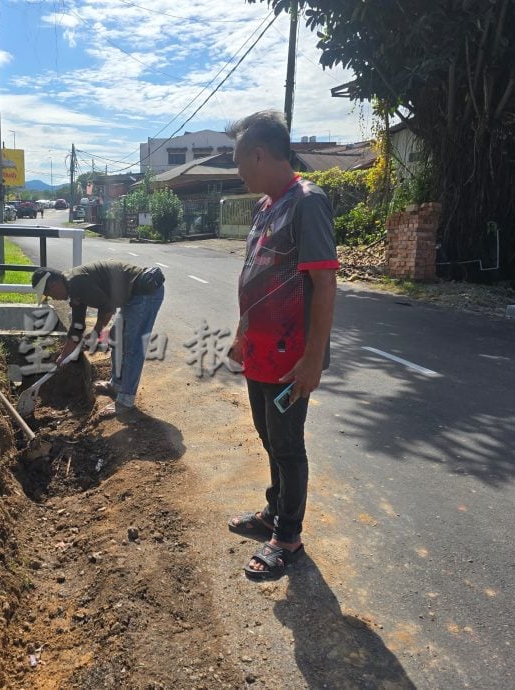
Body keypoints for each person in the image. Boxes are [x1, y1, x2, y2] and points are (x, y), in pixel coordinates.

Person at [224, 109, 338, 580]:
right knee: (269, 439)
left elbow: (325, 284)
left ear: (259, 153)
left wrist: (313, 359)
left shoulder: (307, 202)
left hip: (292, 361)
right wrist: (240, 333)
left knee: (288, 447)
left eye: (239, 161)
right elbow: (258, 276)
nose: (238, 171)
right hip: (259, 353)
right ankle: (273, 513)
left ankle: (287, 536)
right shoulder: (266, 206)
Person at [31, 260, 165, 416]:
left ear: (53, 285)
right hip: (131, 296)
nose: (52, 298)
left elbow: (107, 308)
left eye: (49, 294)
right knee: (116, 338)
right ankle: (116, 384)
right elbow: (77, 327)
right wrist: (63, 356)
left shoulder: (77, 282)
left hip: (145, 293)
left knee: (132, 348)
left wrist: (96, 333)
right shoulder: (72, 288)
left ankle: (125, 401)